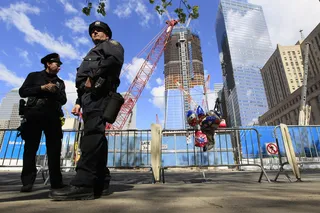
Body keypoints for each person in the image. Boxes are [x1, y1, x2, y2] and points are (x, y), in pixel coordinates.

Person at [50, 21, 124, 200]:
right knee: (97, 136)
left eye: (98, 30)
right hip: (88, 97)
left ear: (107, 33)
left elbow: (114, 60)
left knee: (91, 134)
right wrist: (78, 102)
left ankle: (83, 184)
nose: (94, 33)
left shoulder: (111, 45)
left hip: (99, 93)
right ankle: (100, 181)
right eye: (92, 31)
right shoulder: (94, 51)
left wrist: (93, 75)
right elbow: (83, 83)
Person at [18, 53, 67, 192]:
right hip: (34, 115)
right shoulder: (34, 76)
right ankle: (27, 182)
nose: (59, 67)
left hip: (52, 117)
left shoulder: (60, 82)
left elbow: (63, 100)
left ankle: (56, 182)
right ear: (48, 63)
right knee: (30, 149)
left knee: (54, 150)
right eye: (57, 64)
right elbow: (23, 91)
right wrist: (41, 88)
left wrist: (55, 91)